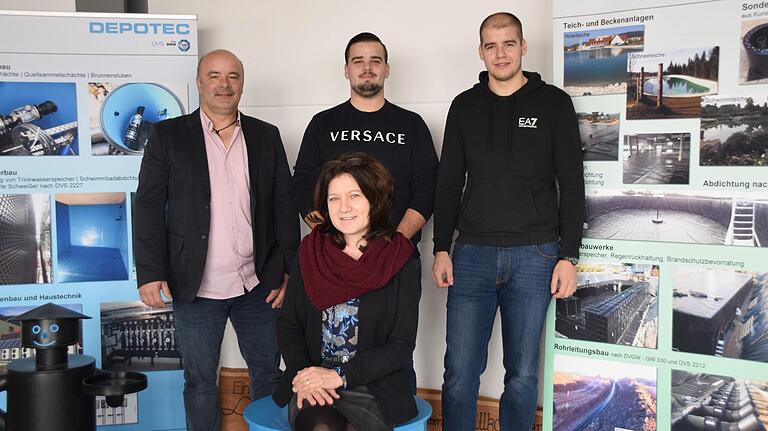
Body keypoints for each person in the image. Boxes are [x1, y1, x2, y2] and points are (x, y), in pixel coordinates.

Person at [431, 12, 585, 431]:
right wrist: (441, 247)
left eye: (508, 43)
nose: (500, 53)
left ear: (523, 47)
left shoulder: (554, 104)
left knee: (523, 375)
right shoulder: (464, 106)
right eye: (491, 45)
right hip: (471, 255)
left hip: (536, 255)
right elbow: (448, 183)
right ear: (481, 51)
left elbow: (571, 184)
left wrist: (569, 255)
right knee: (459, 374)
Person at [133, 49, 299, 431]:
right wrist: (150, 272)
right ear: (199, 82)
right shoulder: (168, 136)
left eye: (233, 76)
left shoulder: (266, 135)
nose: (224, 84)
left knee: (268, 376)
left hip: (257, 284)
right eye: (214, 75)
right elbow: (148, 206)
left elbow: (283, 206)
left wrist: (289, 270)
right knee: (201, 383)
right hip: (195, 285)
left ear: (242, 82)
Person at [290, 31, 437, 392]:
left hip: (397, 259)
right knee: (327, 342)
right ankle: (323, 393)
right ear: (346, 70)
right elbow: (301, 183)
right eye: (358, 61)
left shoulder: (411, 125)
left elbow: (429, 186)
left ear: (386, 69)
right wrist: (329, 234)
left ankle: (395, 408)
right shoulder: (324, 124)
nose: (367, 67)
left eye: (375, 60)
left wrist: (395, 243)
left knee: (395, 349)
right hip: (335, 260)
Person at [275, 152, 420, 431]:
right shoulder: (310, 251)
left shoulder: (399, 256)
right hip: (314, 379)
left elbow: (401, 346)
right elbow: (288, 324)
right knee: (320, 426)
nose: (344, 208)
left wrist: (339, 376)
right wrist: (307, 375)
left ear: (374, 198)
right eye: (334, 198)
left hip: (373, 385)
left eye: (355, 196)